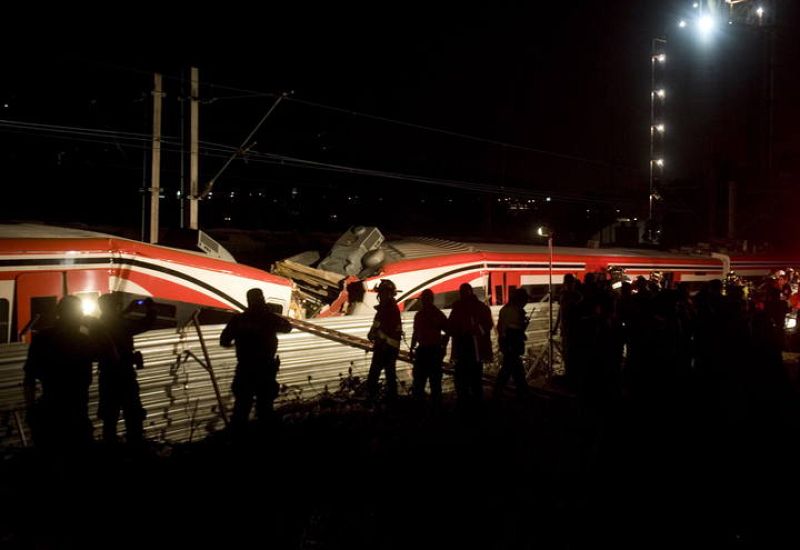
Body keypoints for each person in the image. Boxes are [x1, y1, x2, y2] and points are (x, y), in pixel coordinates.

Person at [23, 295, 96, 450]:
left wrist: (30, 407)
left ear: (59, 313)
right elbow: (112, 356)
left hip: (50, 409)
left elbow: (29, 377)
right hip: (77, 410)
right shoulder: (84, 340)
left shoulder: (42, 338)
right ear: (79, 315)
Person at [220, 288, 292, 432]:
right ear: (262, 299)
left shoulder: (239, 319)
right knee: (265, 409)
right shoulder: (269, 318)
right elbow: (288, 327)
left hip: (245, 370)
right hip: (265, 370)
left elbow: (224, 341)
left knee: (241, 409)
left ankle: (237, 439)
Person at [94, 293, 156, 445]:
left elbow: (112, 320)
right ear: (115, 307)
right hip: (124, 375)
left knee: (110, 417)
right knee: (133, 414)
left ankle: (111, 448)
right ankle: (134, 447)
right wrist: (151, 308)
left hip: (107, 376)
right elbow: (146, 323)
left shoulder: (98, 324)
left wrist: (126, 311)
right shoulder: (121, 324)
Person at [447, 283, 493, 407]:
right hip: (472, 348)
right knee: (474, 379)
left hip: (466, 348)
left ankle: (466, 405)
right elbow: (488, 325)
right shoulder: (479, 307)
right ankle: (475, 405)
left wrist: (472, 330)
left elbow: (450, 327)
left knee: (464, 380)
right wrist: (477, 330)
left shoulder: (459, 308)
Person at [409, 289, 449, 407]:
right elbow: (448, 331)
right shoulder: (437, 314)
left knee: (420, 383)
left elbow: (415, 334)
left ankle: (420, 408)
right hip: (433, 351)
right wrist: (443, 345)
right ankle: (435, 408)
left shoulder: (420, 315)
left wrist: (412, 348)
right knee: (434, 383)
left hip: (424, 352)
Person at [366, 279, 403, 402]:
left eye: (381, 293)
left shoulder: (389, 308)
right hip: (386, 347)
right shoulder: (387, 307)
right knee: (388, 374)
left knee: (376, 374)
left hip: (386, 347)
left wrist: (375, 335)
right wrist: (373, 333)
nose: (379, 296)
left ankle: (373, 400)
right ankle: (390, 399)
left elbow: (384, 327)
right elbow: (377, 324)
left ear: (387, 293)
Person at [495, 288, 529, 398]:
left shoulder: (504, 309)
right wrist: (524, 324)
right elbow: (516, 330)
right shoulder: (515, 311)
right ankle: (499, 390)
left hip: (506, 343)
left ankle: (521, 389)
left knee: (513, 367)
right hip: (512, 344)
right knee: (509, 368)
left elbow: (500, 327)